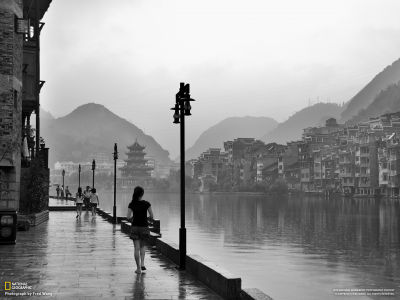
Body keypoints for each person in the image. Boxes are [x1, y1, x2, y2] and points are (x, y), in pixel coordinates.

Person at [127, 186, 154, 274]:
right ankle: (142, 263)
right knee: (143, 246)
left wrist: (133, 219)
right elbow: (152, 217)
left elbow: (128, 218)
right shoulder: (147, 204)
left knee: (136, 248)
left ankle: (138, 268)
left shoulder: (131, 204)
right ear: (142, 194)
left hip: (135, 227)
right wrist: (147, 218)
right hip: (144, 227)